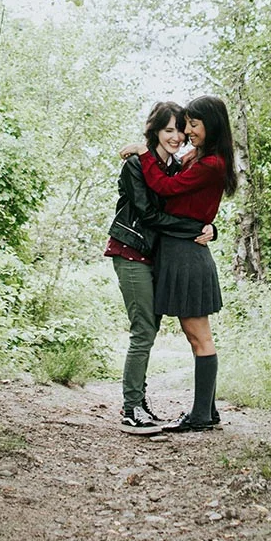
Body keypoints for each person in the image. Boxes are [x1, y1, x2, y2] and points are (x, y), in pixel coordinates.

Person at [129, 95, 236, 433]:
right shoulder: (196, 157)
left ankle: (201, 415)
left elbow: (164, 186)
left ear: (211, 125)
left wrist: (143, 154)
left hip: (188, 255)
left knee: (198, 335)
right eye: (186, 124)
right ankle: (209, 410)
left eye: (194, 124)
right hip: (180, 250)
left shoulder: (212, 163)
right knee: (196, 336)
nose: (188, 131)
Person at [105, 101, 213, 432]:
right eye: (169, 130)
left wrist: (211, 228)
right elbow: (149, 215)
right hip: (130, 251)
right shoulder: (137, 165)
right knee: (143, 330)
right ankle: (131, 408)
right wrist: (194, 229)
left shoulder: (172, 168)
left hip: (154, 257)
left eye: (181, 130)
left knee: (148, 330)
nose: (177, 137)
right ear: (154, 131)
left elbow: (186, 204)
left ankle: (139, 403)